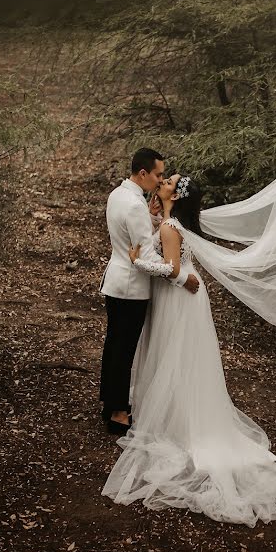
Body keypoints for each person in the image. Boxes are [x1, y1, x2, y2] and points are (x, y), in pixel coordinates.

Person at [102, 173, 276, 527]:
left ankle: (176, 419)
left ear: (174, 196)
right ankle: (181, 409)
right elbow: (174, 252)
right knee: (183, 359)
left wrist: (137, 263)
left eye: (168, 181)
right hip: (185, 299)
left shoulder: (169, 225)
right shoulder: (174, 222)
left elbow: (172, 269)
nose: (163, 181)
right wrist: (155, 219)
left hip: (177, 295)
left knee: (175, 356)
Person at [98, 148, 199, 436]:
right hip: (132, 286)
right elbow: (149, 259)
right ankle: (118, 413)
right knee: (123, 350)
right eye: (157, 174)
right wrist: (182, 279)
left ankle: (111, 404)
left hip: (117, 281)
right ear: (143, 173)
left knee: (114, 345)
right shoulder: (134, 205)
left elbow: (136, 236)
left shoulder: (120, 195)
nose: (160, 180)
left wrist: (152, 218)